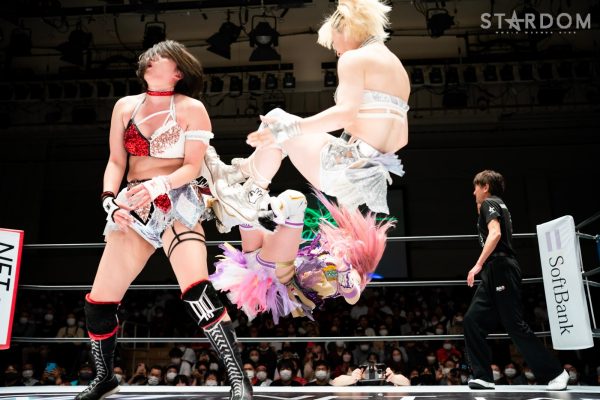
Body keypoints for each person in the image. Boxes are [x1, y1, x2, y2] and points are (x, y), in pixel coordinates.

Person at [75, 40, 251, 400]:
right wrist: (109, 201)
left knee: (197, 291)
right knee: (99, 302)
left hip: (177, 200)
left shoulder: (191, 108)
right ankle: (105, 377)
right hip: (133, 204)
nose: (152, 59)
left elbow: (191, 166)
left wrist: (159, 184)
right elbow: (116, 162)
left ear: (178, 72)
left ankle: (238, 379)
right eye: (150, 56)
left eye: (163, 57)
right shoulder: (125, 106)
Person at [204, 0, 409, 229]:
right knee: (278, 125)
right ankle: (237, 178)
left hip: (343, 165)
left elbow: (345, 114)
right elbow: (401, 139)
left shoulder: (354, 59)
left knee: (276, 121)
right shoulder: (398, 70)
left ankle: (246, 198)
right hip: (370, 174)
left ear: (347, 30)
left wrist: (289, 130)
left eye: (334, 43)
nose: (337, 51)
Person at [210, 190, 393, 324]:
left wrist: (343, 270)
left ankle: (241, 213)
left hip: (272, 270)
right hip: (262, 262)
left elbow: (352, 297)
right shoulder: (326, 256)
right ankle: (234, 213)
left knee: (296, 201)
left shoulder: (348, 272)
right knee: (252, 202)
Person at [463, 170, 568, 391]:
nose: (473, 192)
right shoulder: (496, 204)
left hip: (501, 267)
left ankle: (556, 373)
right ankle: (483, 376)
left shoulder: (489, 202)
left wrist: (478, 264)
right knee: (472, 320)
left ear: (485, 187)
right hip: (493, 270)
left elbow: (495, 234)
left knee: (514, 324)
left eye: (476, 187)